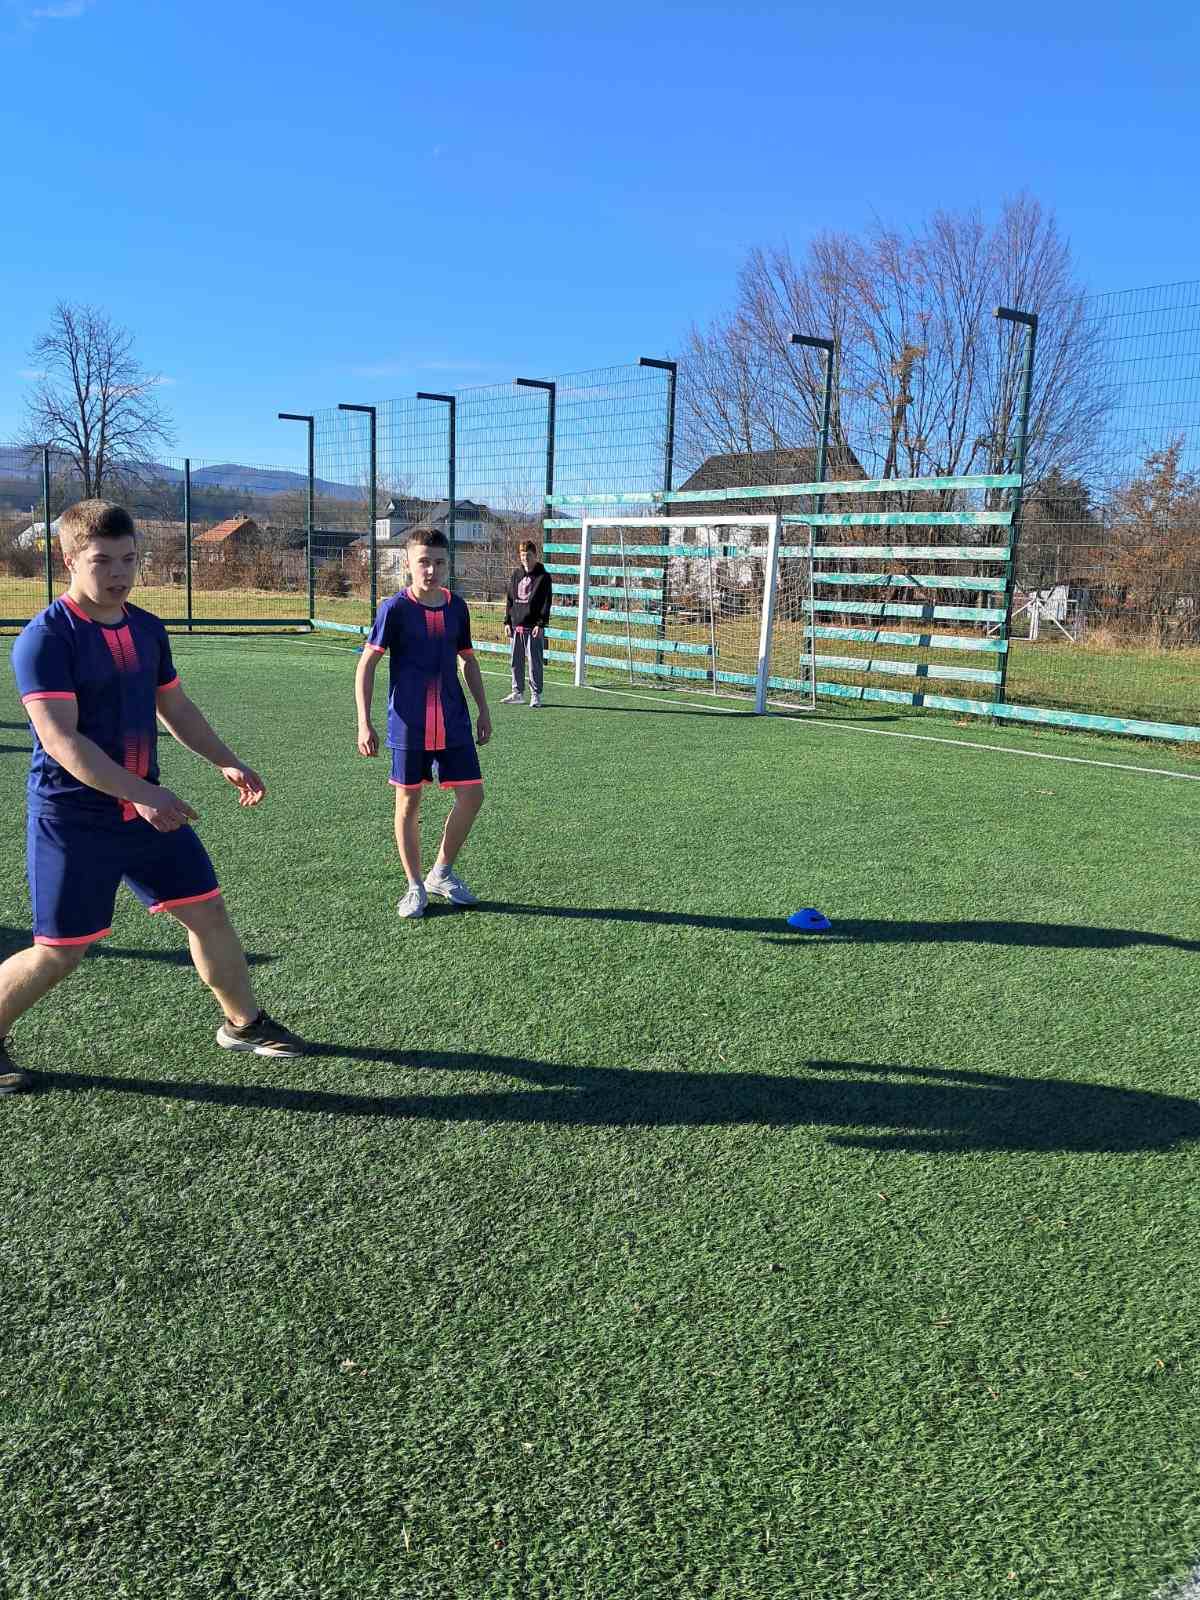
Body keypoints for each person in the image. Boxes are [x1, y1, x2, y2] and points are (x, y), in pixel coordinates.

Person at [0, 500, 308, 1098]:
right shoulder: (45, 639)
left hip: (146, 811)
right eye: (102, 561)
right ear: (69, 559)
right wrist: (142, 793)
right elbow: (62, 741)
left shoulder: (146, 627)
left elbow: (176, 707)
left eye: (129, 559)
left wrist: (225, 759)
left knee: (207, 912)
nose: (119, 573)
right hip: (75, 818)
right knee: (60, 952)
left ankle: (243, 1024)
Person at [355, 529, 492, 920]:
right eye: (424, 562)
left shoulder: (457, 607)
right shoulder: (394, 609)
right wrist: (364, 722)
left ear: (448, 564)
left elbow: (467, 659)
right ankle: (414, 884)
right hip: (408, 723)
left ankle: (441, 872)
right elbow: (366, 664)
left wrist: (483, 709)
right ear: (408, 564)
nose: (431, 570)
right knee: (408, 802)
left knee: (473, 796)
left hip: (453, 720)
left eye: (439, 562)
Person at [501, 540, 553, 708]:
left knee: (534, 662)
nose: (525, 559)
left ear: (535, 556)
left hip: (533, 628)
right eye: (523, 555)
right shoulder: (516, 575)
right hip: (516, 626)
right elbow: (510, 600)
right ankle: (517, 692)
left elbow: (546, 603)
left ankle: (536, 694)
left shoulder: (543, 577)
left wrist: (541, 624)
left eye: (528, 555)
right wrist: (507, 621)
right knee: (515, 661)